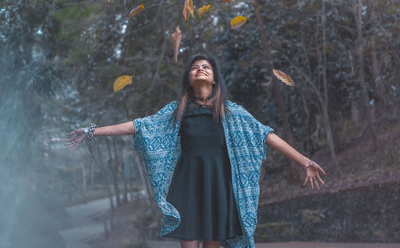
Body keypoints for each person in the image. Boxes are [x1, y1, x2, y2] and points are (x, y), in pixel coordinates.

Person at [65, 55, 326, 248]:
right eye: (194, 67)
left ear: (214, 79)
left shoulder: (231, 112)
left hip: (218, 185)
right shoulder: (176, 110)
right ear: (189, 79)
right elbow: (138, 126)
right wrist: (91, 131)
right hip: (187, 185)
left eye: (205, 67)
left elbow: (266, 135)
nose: (199, 69)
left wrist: (305, 161)